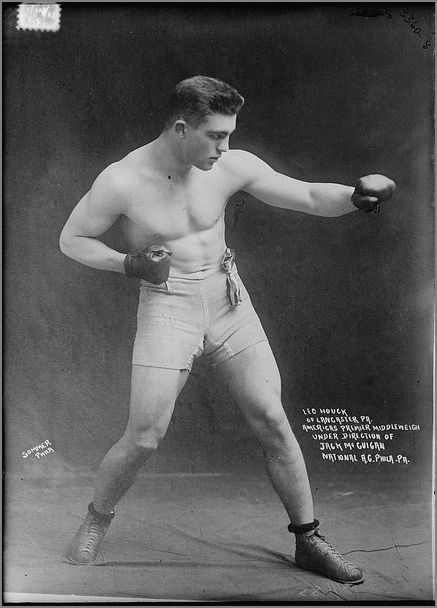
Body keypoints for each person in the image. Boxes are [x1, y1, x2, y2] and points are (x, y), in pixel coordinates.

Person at [60, 75, 395, 584]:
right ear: (180, 128)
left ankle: (308, 539)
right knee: (145, 435)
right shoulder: (122, 180)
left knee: (271, 419)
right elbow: (73, 240)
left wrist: (356, 197)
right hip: (168, 304)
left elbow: (305, 195)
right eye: (216, 135)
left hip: (227, 300)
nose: (226, 146)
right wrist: (129, 264)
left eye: (229, 134)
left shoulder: (229, 165)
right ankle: (94, 521)